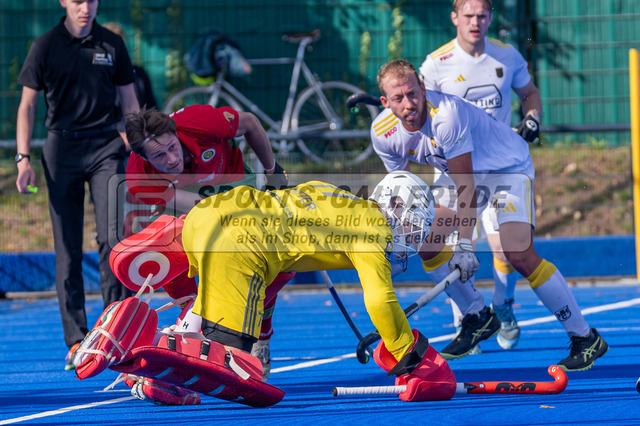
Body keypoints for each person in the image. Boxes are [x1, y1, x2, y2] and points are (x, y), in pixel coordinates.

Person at [370, 59, 608, 371]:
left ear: (423, 89)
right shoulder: (383, 134)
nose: (409, 104)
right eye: (398, 98)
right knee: (426, 242)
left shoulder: (446, 116)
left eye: (412, 94)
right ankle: (477, 315)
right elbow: (406, 190)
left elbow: (467, 186)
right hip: (459, 176)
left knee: (517, 253)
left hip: (506, 169)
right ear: (385, 102)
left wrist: (464, 246)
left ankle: (585, 338)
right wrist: (398, 240)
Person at [178, 173, 457, 402]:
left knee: (259, 278)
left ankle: (180, 333)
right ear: (395, 204)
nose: (413, 234)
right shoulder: (375, 229)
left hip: (204, 216)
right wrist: (413, 357)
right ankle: (178, 363)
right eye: (413, 223)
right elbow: (380, 299)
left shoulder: (335, 194)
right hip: (237, 241)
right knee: (231, 358)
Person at [15, 0, 140, 370]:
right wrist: (23, 159)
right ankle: (76, 339)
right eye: (77, 1)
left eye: (91, 0)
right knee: (67, 247)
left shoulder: (112, 44)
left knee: (113, 239)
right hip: (61, 150)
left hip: (106, 148)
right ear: (63, 2)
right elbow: (26, 106)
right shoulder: (44, 45)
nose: (85, 7)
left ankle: (113, 330)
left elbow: (130, 102)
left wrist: (140, 148)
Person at [124, 104, 289, 380]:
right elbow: (202, 208)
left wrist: (273, 171)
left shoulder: (202, 122)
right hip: (195, 201)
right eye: (159, 156)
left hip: (236, 184)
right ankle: (195, 330)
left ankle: (261, 336)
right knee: (166, 256)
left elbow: (250, 122)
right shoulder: (138, 178)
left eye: (172, 148)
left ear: (176, 134)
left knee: (278, 266)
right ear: (144, 158)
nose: (171, 159)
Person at [418, 0, 543, 351]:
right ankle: (469, 317)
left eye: (482, 15)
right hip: (454, 171)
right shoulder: (435, 64)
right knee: (452, 245)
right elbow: (417, 111)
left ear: (490, 18)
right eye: (468, 15)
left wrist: (532, 118)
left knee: (506, 247)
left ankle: (502, 305)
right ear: (455, 18)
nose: (475, 22)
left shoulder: (507, 56)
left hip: (499, 167)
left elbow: (529, 93)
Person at [102, 22, 158, 110]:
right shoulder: (97, 75)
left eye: (120, 44)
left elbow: (151, 106)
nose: (116, 50)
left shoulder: (139, 73)